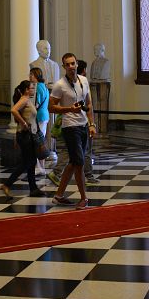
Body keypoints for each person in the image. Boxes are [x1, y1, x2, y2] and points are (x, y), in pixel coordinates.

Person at [50, 52, 96, 210]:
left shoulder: (83, 81)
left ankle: (58, 196)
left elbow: (89, 104)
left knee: (74, 162)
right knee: (79, 163)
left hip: (83, 126)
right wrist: (69, 109)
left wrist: (92, 124)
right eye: (67, 64)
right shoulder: (59, 85)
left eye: (73, 63)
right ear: (64, 67)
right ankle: (84, 198)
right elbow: (51, 107)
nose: (70, 66)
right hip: (69, 127)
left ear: (77, 64)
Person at [0, 79, 45, 199]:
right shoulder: (24, 100)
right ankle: (7, 184)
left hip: (27, 135)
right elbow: (13, 110)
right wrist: (23, 123)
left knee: (31, 162)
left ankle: (33, 188)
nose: (33, 90)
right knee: (27, 162)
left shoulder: (27, 100)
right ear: (26, 90)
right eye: (31, 88)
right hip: (25, 136)